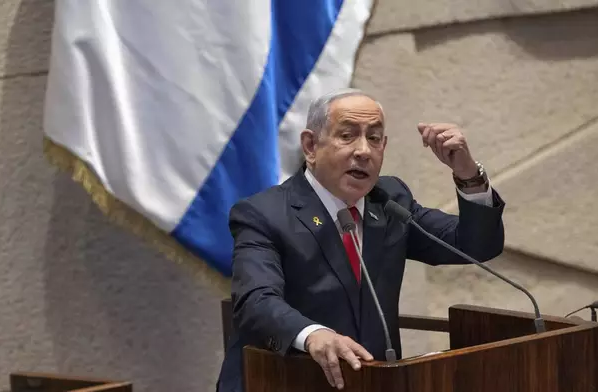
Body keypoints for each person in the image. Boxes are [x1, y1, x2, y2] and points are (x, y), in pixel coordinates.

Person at [216, 89, 505, 391]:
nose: (364, 151)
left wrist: (467, 173)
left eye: (375, 138)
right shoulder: (264, 214)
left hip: (371, 381)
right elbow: (256, 301)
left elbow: (476, 246)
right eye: (347, 135)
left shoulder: (391, 201)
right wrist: (313, 334)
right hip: (282, 380)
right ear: (311, 145)